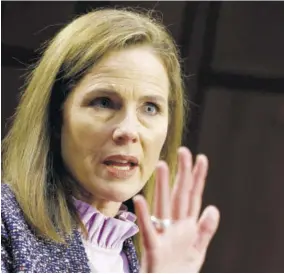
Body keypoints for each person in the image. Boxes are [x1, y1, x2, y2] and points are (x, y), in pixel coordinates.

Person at [1, 7, 220, 273]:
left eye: (150, 108)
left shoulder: (155, 259)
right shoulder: (6, 223)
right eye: (104, 102)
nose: (129, 130)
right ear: (56, 117)